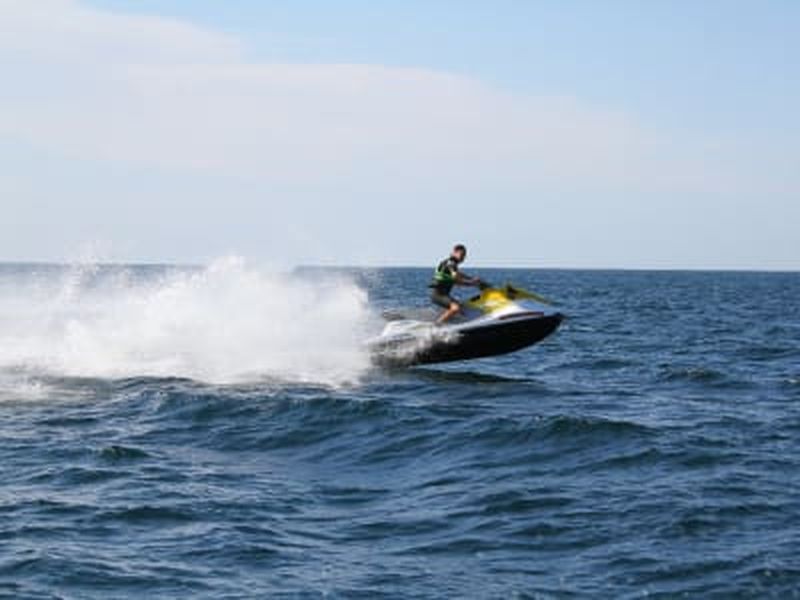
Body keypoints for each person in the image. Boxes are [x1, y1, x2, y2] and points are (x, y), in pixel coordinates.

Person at [429, 244, 483, 324]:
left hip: (443, 295)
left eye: (464, 256)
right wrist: (472, 283)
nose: (463, 258)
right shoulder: (451, 263)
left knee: (463, 309)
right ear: (454, 252)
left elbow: (458, 274)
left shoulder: (450, 263)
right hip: (438, 295)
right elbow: (457, 280)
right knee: (455, 308)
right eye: (461, 255)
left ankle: (452, 324)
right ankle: (436, 326)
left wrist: (471, 278)